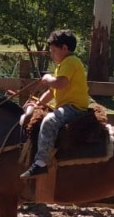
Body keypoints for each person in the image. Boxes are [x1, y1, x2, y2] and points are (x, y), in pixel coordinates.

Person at [20, 29, 92, 178]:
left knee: (49, 121)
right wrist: (38, 104)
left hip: (74, 108)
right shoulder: (64, 65)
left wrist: (47, 78)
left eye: (53, 51)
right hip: (67, 106)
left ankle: (41, 162)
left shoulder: (71, 62)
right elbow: (52, 91)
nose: (51, 54)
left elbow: (60, 84)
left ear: (64, 48)